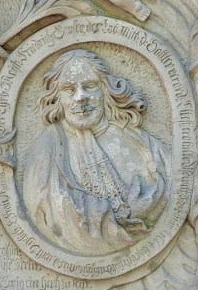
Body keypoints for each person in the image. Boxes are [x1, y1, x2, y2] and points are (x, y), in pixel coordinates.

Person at [23, 49, 167, 256]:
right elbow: (44, 208)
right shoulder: (48, 147)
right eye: (69, 89)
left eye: (90, 86)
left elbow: (174, 175)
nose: (81, 97)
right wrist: (126, 214)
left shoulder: (140, 141)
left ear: (106, 91)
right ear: (57, 99)